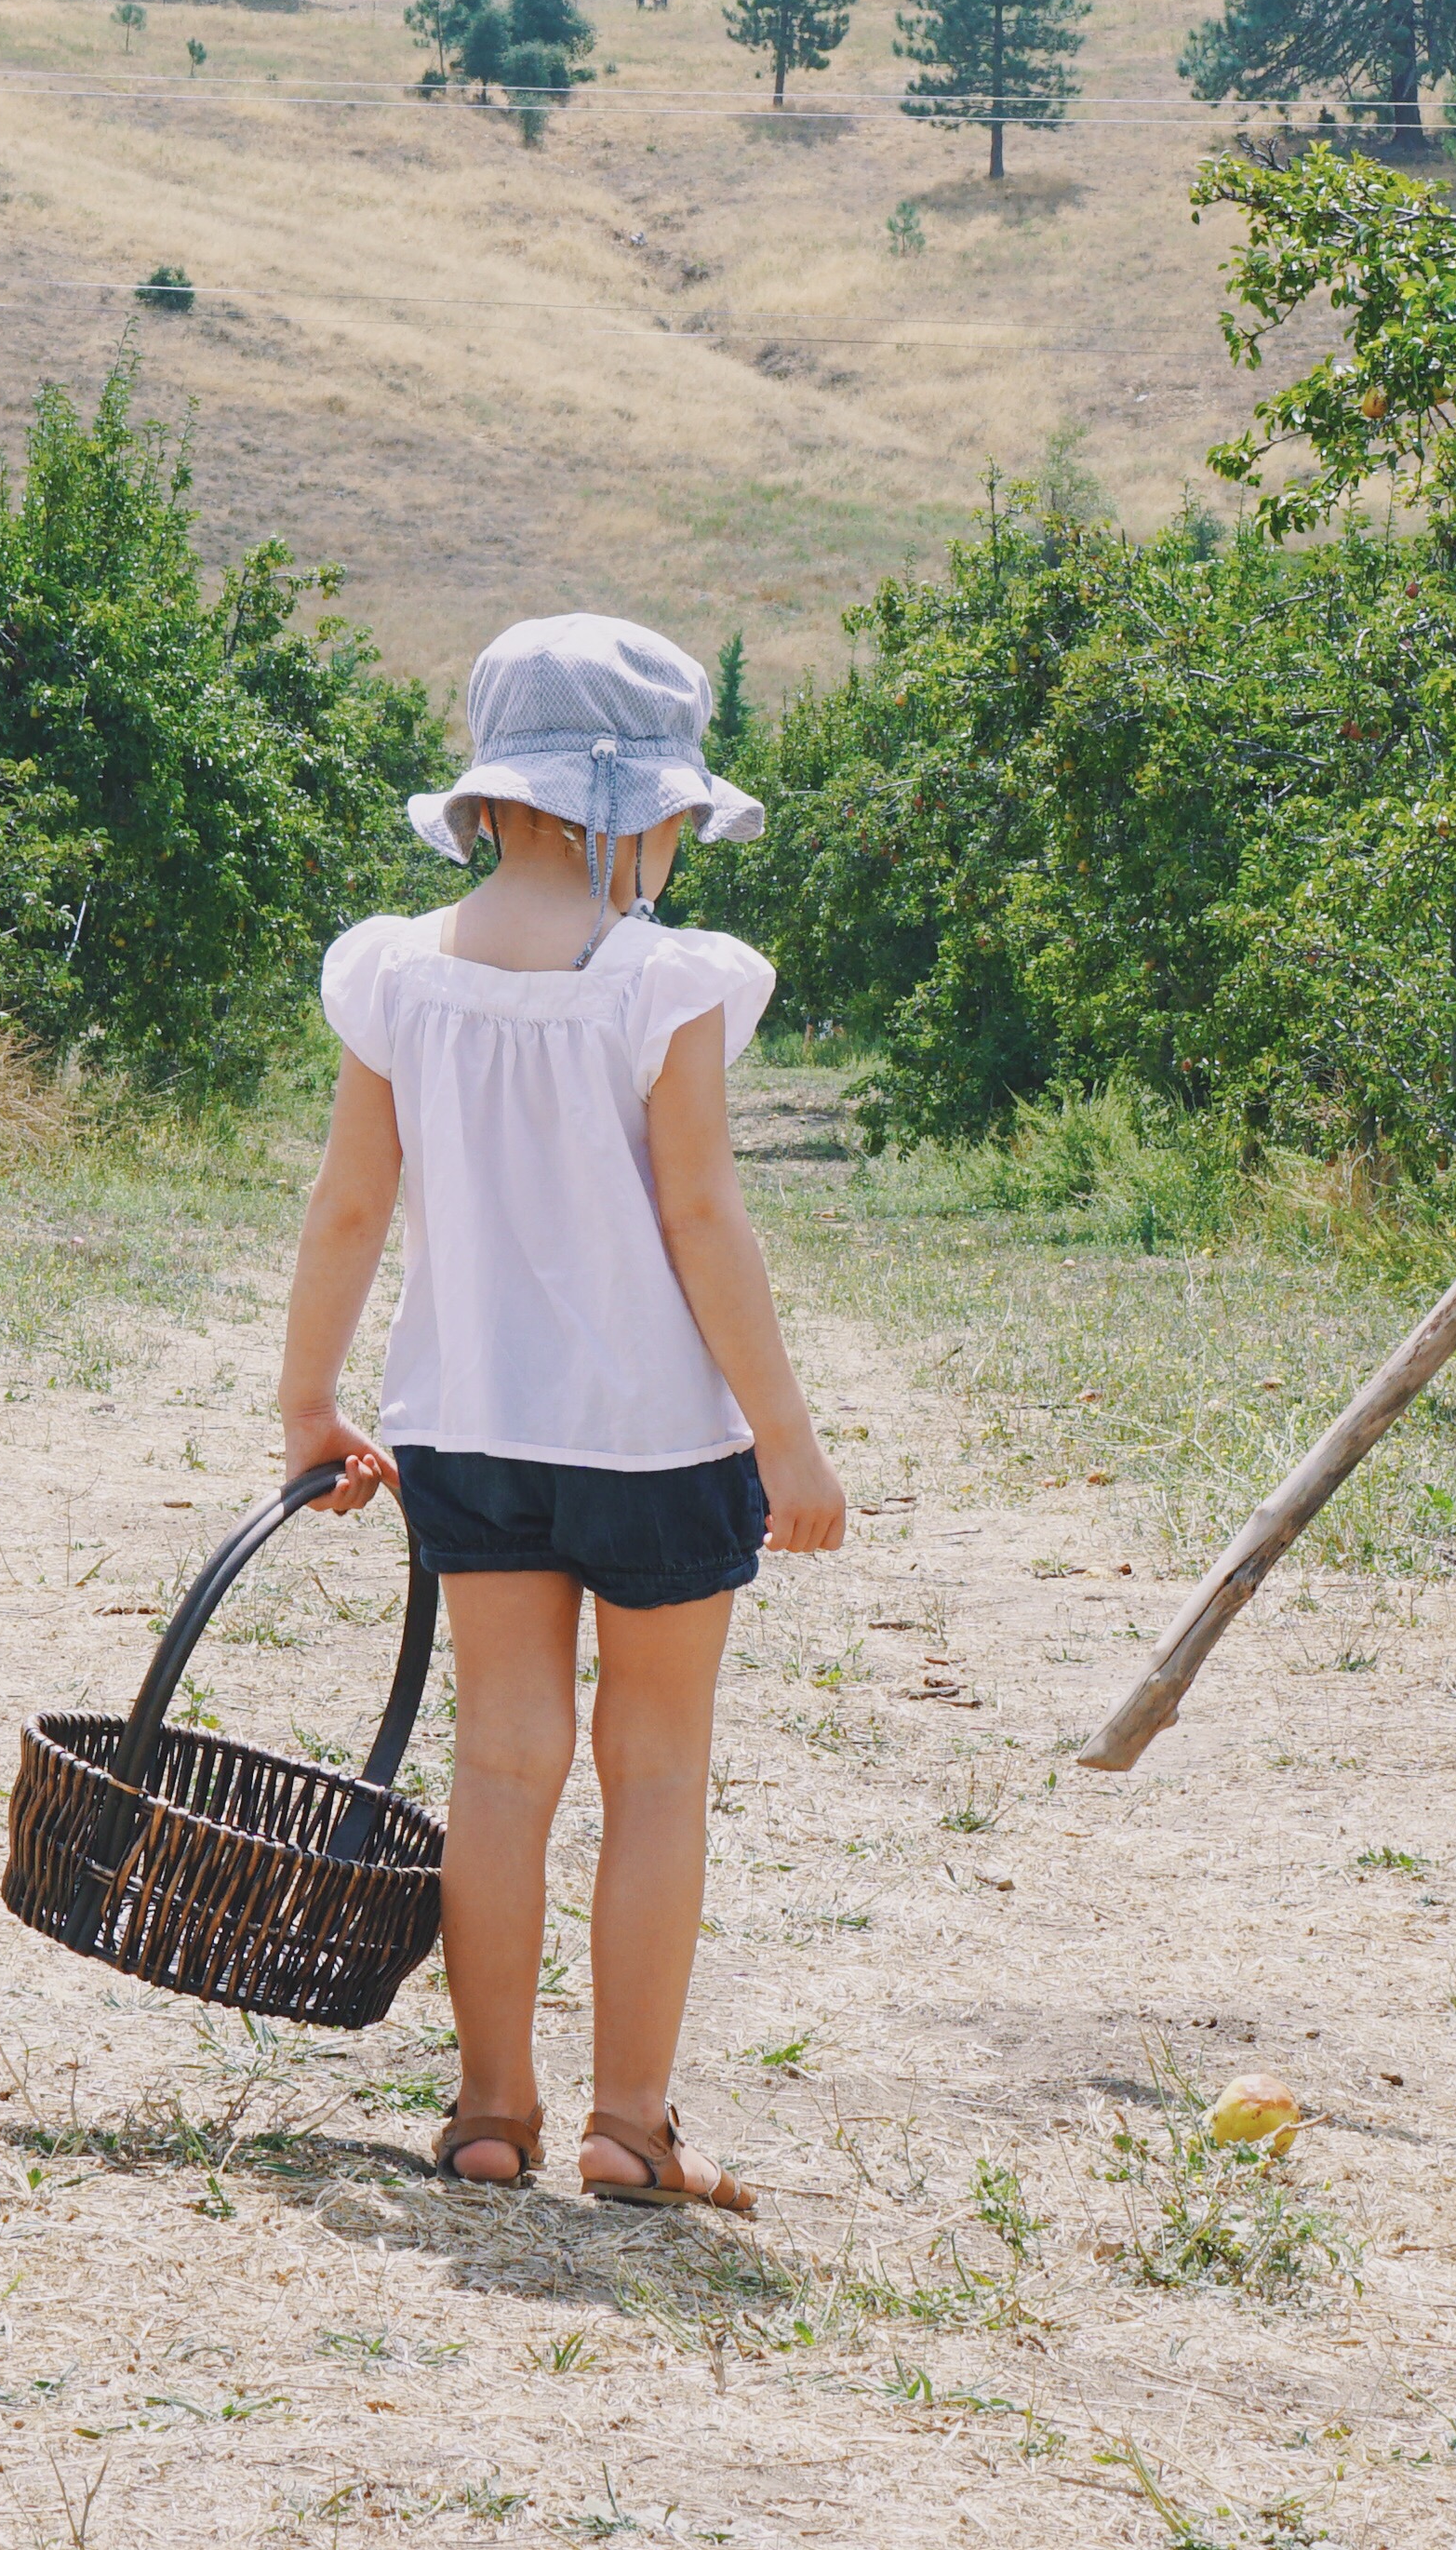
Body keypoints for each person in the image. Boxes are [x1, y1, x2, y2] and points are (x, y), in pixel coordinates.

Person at [274, 615, 845, 2205]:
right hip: (658, 1441)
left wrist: (311, 1402)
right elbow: (704, 1222)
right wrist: (785, 1435)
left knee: (503, 1762)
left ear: (491, 795)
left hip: (469, 1429)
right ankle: (632, 2123)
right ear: (624, 812)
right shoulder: (661, 984)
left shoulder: (398, 972)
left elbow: (346, 1208)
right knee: (655, 1764)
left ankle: (489, 2110)